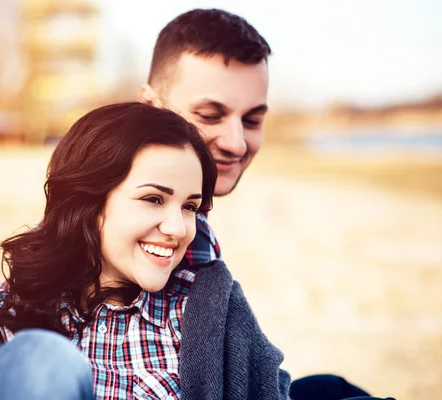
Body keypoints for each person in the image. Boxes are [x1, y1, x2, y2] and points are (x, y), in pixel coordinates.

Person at [0, 102, 292, 399]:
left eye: (190, 206)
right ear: (87, 201)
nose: (178, 229)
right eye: (153, 199)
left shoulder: (211, 309)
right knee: (41, 357)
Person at [136, 8, 393, 400]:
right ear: (150, 107)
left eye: (252, 120)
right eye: (210, 115)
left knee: (332, 388)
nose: (237, 143)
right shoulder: (109, 221)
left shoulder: (198, 227)